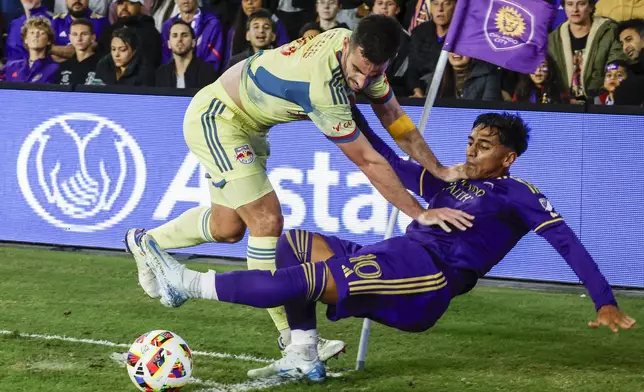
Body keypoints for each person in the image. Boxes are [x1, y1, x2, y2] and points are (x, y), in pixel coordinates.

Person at [131, 108, 636, 382]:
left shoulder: (517, 193)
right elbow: (386, 162)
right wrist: (339, 109)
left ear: (508, 157)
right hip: (397, 254)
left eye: (485, 145)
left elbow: (568, 243)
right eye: (471, 140)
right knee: (293, 246)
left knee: (309, 279)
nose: (471, 149)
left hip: (428, 279)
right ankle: (303, 351)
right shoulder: (446, 182)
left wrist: (605, 300)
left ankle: (187, 282)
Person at [124, 14, 465, 363]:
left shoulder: (360, 50)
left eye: (373, 74)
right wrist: (419, 212)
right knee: (266, 220)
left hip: (249, 127)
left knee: (227, 228)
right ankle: (293, 338)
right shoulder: (321, 85)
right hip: (218, 118)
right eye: (358, 71)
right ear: (348, 46)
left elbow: (394, 117)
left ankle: (144, 242)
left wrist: (436, 166)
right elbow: (369, 161)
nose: (362, 82)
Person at [548, 0, 626, 103]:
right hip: (565, 105)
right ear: (564, 7)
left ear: (591, 7)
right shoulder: (554, 39)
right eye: (570, 4)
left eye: (581, 4)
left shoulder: (610, 31)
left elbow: (616, 67)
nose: (575, 10)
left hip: (601, 103)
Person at [160, 0, 225, 73]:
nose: (185, 1)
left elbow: (214, 60)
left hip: (203, 80)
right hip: (174, 80)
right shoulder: (168, 26)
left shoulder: (212, 24)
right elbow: (165, 58)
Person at [98, 0, 163, 67]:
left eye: (131, 3)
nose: (124, 7)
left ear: (140, 6)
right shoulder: (108, 31)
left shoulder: (150, 33)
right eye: (120, 3)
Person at [155, 19, 217, 88]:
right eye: (174, 35)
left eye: (184, 35)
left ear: (193, 42)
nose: (179, 39)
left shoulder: (206, 71)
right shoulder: (162, 73)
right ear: (169, 44)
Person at [1, 15, 59, 82]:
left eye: (41, 33)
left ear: (49, 41)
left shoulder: (55, 69)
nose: (36, 35)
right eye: (32, 33)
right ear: (25, 39)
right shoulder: (10, 67)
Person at [56, 17, 100, 84]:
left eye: (84, 34)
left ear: (93, 37)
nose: (79, 39)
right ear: (70, 38)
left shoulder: (102, 66)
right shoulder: (63, 67)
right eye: (75, 34)